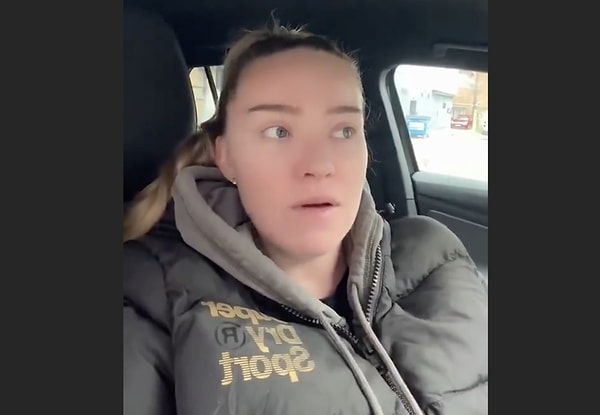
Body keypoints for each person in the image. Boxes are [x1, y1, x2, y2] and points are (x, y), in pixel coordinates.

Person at [123, 24, 488, 415]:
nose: (320, 164)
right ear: (226, 155)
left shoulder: (436, 254)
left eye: (344, 130)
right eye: (279, 131)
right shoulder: (150, 294)